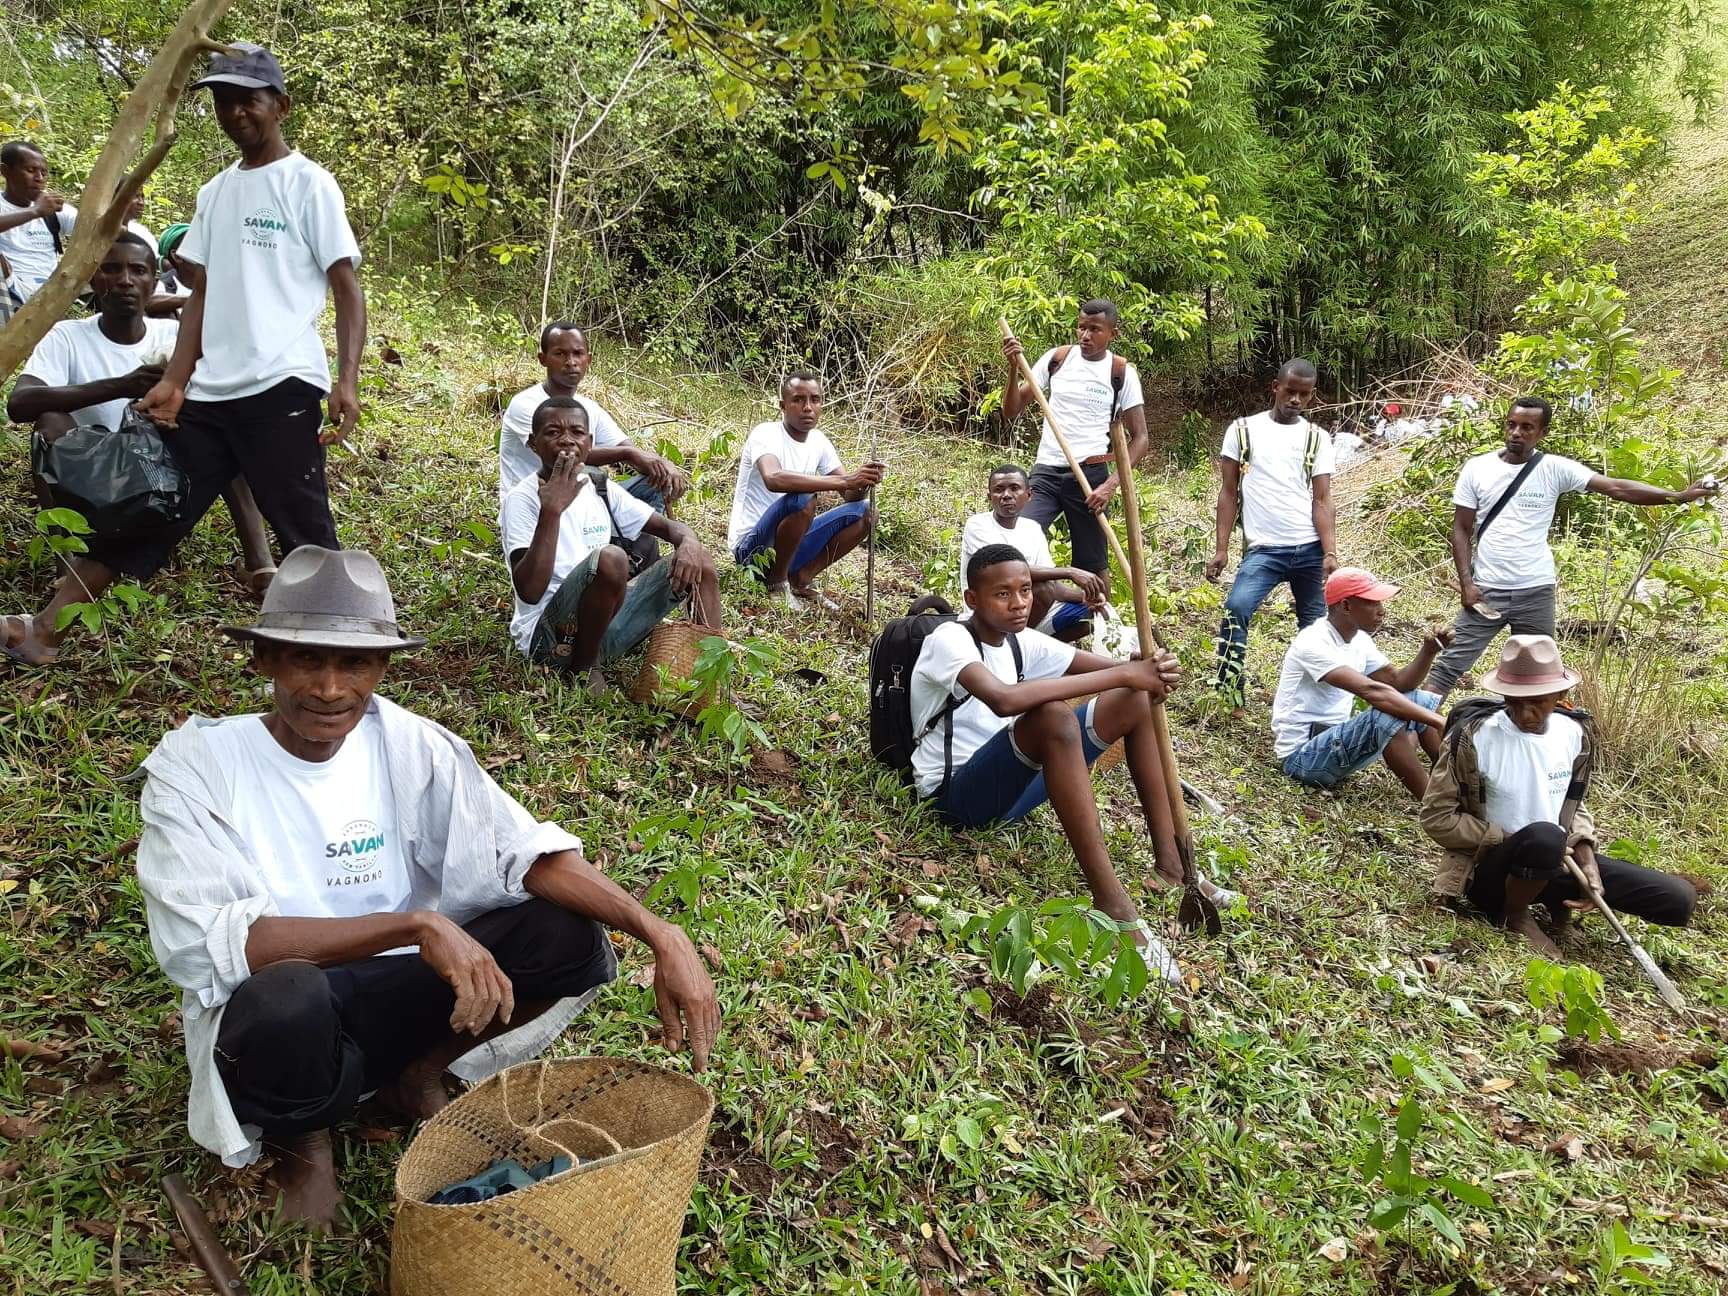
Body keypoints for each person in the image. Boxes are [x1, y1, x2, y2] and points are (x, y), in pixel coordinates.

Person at [134, 546, 721, 1227]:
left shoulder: (411, 744)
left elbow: (525, 851)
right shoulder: (197, 767)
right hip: (288, 1012)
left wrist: (659, 932)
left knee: (565, 932)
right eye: (305, 659)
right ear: (264, 659)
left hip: (399, 989)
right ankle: (305, 1141)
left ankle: (416, 1075)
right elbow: (213, 946)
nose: (330, 688)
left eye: (355, 663)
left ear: (383, 668)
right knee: (286, 998)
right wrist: (414, 925)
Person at [909, 543, 1188, 983]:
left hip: (1008, 795)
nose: (1019, 603)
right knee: (1053, 718)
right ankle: (1114, 906)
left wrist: (1147, 669)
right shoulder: (949, 639)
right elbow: (1004, 700)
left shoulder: (1020, 640)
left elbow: (1116, 671)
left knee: (1134, 700)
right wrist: (1125, 674)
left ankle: (1173, 867)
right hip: (955, 798)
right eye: (1002, 594)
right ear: (972, 599)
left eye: (1025, 590)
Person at [134, 43, 364, 569]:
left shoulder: (308, 183)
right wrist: (175, 379)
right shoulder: (215, 192)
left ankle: (340, 621)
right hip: (211, 393)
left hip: (281, 384)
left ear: (280, 106)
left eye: (248, 99)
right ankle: (56, 616)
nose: (234, 112)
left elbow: (347, 289)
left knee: (306, 536)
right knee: (153, 513)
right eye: (223, 100)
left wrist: (346, 381)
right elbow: (202, 291)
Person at [2, 234, 277, 665]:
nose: (125, 280)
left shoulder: (177, 335)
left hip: (160, 474)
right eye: (112, 269)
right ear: (94, 280)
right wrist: (122, 385)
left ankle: (261, 565)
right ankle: (69, 558)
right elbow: (19, 404)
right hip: (94, 475)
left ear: (154, 282)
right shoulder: (67, 337)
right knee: (48, 423)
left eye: (138, 270)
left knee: (220, 435)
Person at [1421, 635, 1696, 956]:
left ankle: (1554, 900)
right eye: (1514, 702)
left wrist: (1587, 860)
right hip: (1492, 871)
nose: (1525, 714)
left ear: (1560, 696)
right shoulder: (1473, 738)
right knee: (1545, 837)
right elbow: (1437, 818)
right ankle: (1515, 915)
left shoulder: (1573, 733)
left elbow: (1572, 804)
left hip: (1554, 861)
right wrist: (1507, 838)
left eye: (1537, 702)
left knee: (1677, 900)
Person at [1427, 396, 1719, 696]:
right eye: (1511, 425)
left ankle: (1533, 726)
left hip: (1535, 590)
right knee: (1448, 667)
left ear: (1543, 433)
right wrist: (1467, 584)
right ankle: (1416, 722)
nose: (1516, 433)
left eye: (1527, 427)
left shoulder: (1554, 468)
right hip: (1486, 591)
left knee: (1539, 677)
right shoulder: (1478, 468)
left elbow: (1616, 487)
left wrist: (1677, 496)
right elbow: (1461, 529)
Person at [504, 398, 721, 691]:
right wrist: (551, 511)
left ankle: (712, 682)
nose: (566, 440)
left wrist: (690, 541)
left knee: (700, 560)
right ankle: (584, 668)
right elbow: (530, 593)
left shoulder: (597, 486)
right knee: (612, 558)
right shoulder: (522, 499)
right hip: (551, 640)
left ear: (590, 443)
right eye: (553, 432)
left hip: (601, 627)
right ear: (533, 443)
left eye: (577, 432)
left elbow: (668, 527)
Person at [1206, 359, 1338, 704]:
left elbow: (1322, 499)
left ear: (1311, 396)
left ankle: (1313, 700)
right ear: (1275, 388)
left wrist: (1330, 552)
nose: (1296, 399)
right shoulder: (1242, 431)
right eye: (1290, 391)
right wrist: (1222, 549)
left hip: (1308, 548)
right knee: (1236, 609)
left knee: (1315, 627)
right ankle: (1230, 694)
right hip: (1264, 550)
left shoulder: (1316, 438)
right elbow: (1228, 493)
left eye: (1304, 395)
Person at [999, 300, 1150, 578]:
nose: (1085, 336)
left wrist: (1109, 486)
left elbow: (1140, 438)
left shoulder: (1121, 372)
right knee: (1019, 539)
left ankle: (1100, 607)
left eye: (1095, 329)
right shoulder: (1057, 359)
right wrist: (1012, 368)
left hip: (1089, 477)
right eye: (1081, 328)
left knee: (1093, 565)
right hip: (1046, 471)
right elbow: (1011, 410)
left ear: (1113, 333)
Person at [1271, 567, 1450, 801]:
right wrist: (1438, 721)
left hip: (1334, 746)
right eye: (1372, 603)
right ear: (1346, 606)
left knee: (1421, 700)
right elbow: (1373, 692)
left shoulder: (1360, 640)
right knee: (1383, 715)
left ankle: (1449, 779)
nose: (1381, 611)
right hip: (1302, 758)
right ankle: (1436, 806)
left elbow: (1398, 683)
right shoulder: (1312, 641)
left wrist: (1428, 651)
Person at [727, 370, 883, 609]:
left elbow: (850, 496)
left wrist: (863, 481)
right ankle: (776, 583)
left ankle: (800, 579)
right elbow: (773, 478)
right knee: (803, 498)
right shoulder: (765, 433)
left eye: (815, 400)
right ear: (783, 406)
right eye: (798, 400)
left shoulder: (819, 441)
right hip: (752, 551)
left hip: (789, 548)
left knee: (866, 511)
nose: (808, 407)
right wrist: (846, 481)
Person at [960, 464, 1105, 642]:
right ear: (990, 497)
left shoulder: (1032, 529)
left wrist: (1086, 597)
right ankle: (1010, 645)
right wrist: (1070, 572)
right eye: (998, 490)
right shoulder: (978, 525)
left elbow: (1053, 586)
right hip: (991, 615)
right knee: (1042, 589)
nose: (1006, 495)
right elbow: (1005, 572)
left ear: (1029, 495)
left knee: (1091, 613)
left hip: (1027, 615)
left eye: (1014, 488)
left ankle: (1032, 651)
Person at [0, 139, 76, 305]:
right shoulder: (40, 208)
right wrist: (35, 212)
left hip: (51, 293)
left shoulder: (54, 209)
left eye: (44, 173)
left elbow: (94, 228)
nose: (39, 178)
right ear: (5, 171)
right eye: (31, 170)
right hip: (9, 290)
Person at [148, 221, 195, 315]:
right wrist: (196, 299)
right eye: (196, 249)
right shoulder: (162, 284)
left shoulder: (215, 280)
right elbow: (147, 302)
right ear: (177, 256)